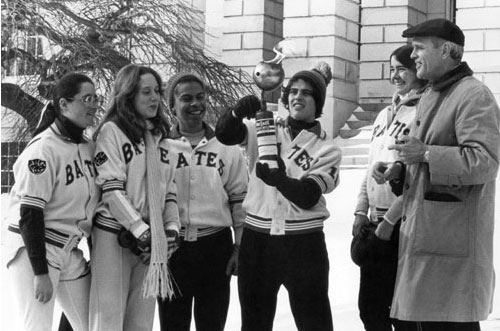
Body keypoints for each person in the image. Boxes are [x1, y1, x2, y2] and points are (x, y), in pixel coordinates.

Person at [386, 18, 500, 331]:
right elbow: (424, 157)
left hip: (451, 256)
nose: (413, 57)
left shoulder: (474, 96)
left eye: (420, 48)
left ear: (447, 51)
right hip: (430, 247)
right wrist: (400, 168)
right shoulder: (433, 94)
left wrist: (424, 153)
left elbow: (485, 162)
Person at [216, 62, 341, 331]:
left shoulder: (327, 147)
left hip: (303, 243)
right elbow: (225, 134)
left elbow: (308, 195)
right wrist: (237, 112)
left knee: (314, 322)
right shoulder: (265, 128)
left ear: (317, 101)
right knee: (254, 323)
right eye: (293, 91)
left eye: (307, 93)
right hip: (258, 241)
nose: (298, 96)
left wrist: (280, 180)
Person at [4, 72, 101, 331]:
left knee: (94, 323)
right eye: (86, 98)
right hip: (34, 248)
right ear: (64, 105)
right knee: (38, 327)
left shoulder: (88, 147)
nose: (93, 104)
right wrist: (40, 273)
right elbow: (30, 215)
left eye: (96, 98)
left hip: (69, 250)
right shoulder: (43, 149)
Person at [90, 64, 180, 331]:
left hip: (151, 240)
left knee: (141, 322)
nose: (155, 98)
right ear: (128, 95)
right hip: (115, 235)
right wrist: (141, 231)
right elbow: (111, 190)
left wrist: (171, 230)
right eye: (146, 92)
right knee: (108, 319)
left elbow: (169, 191)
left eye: (157, 91)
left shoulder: (160, 135)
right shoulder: (112, 132)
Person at [156, 72, 248, 331]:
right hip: (174, 248)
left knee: (212, 323)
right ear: (171, 105)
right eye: (186, 98)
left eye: (200, 97)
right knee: (173, 324)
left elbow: (239, 199)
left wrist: (239, 247)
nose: (195, 104)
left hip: (215, 247)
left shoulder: (226, 144)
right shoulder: (161, 146)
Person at [351, 45, 427, 331]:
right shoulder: (384, 114)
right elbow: (371, 167)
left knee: (402, 313)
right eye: (392, 69)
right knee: (370, 311)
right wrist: (360, 210)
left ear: (416, 70)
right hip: (374, 223)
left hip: (401, 224)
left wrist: (389, 220)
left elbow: (417, 175)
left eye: (402, 69)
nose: (395, 76)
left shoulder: (423, 111)